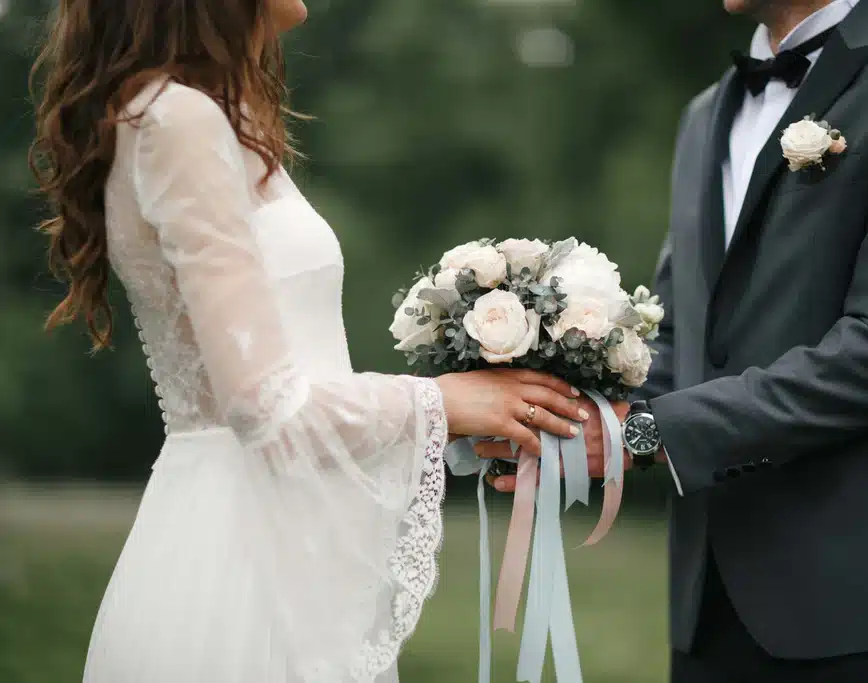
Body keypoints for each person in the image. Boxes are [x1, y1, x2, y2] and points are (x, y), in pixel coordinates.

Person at [29, 1, 591, 681]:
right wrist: (443, 403)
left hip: (272, 537)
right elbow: (265, 408)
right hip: (238, 567)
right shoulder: (178, 119)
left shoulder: (186, 114)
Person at [485, 1, 868, 681]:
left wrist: (644, 433)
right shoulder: (706, 112)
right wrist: (554, 422)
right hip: (709, 605)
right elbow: (680, 336)